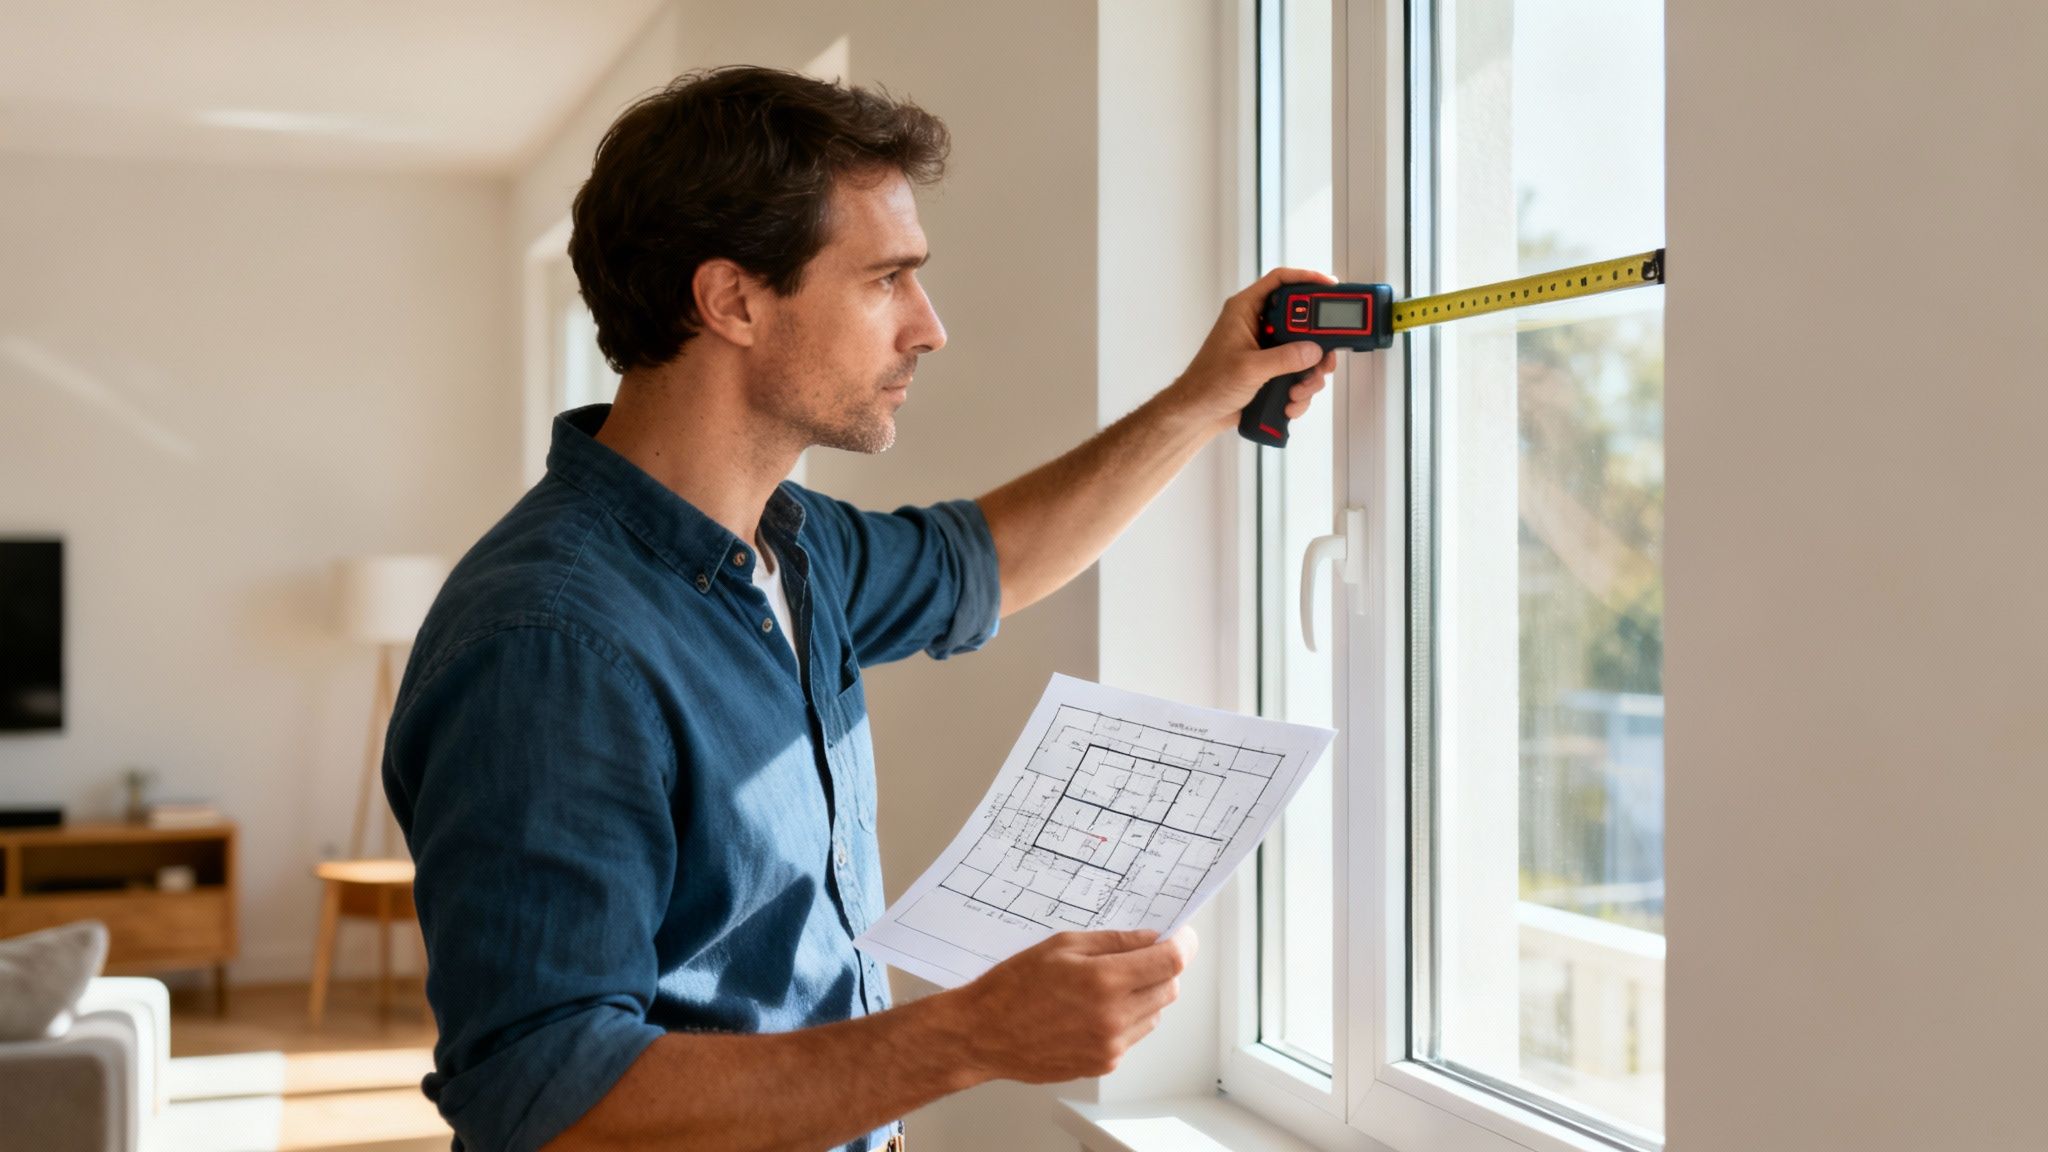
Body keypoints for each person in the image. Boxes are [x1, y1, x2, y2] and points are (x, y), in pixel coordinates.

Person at [382, 65, 1335, 1152]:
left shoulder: (791, 545)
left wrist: (1201, 400)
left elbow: (988, 562)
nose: (928, 329)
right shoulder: (549, 647)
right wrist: (966, 1037)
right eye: (886, 280)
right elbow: (539, 1096)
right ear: (730, 300)